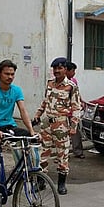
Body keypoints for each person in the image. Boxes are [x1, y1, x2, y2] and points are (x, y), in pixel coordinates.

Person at [0, 60, 36, 207]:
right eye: (6, 73)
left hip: (8, 126)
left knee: (31, 140)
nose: (10, 77)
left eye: (12, 74)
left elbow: (23, 111)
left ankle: (26, 174)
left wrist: (31, 131)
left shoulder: (16, 90)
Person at [33, 57, 81, 195]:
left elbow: (76, 108)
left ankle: (61, 184)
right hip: (47, 124)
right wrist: (38, 114)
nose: (56, 71)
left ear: (65, 69)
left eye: (59, 68)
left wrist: (73, 126)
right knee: (42, 153)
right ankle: (41, 182)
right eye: (54, 68)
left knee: (62, 155)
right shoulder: (49, 84)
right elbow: (45, 102)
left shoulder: (71, 87)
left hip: (62, 125)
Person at [66, 61, 85, 159]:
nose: (74, 73)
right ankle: (61, 155)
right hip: (64, 112)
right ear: (67, 71)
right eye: (73, 71)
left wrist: (81, 101)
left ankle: (78, 151)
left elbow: (77, 93)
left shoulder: (74, 81)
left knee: (76, 132)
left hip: (73, 112)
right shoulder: (60, 83)